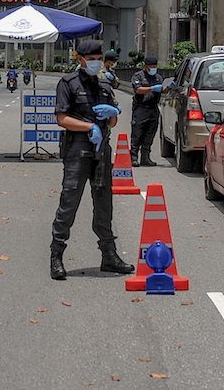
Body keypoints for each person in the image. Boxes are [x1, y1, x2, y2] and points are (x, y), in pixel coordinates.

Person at [50, 39, 135, 281]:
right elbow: (62, 118)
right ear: (81, 59)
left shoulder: (105, 84)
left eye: (99, 59)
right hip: (78, 150)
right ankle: (56, 256)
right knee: (69, 203)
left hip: (102, 152)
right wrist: (88, 126)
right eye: (93, 60)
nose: (97, 63)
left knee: (104, 204)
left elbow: (113, 120)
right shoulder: (68, 83)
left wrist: (114, 113)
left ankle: (109, 256)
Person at [130, 55, 167, 167]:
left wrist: (168, 87)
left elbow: (162, 90)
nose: (153, 69)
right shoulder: (138, 76)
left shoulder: (158, 78)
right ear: (146, 67)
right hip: (141, 108)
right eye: (151, 66)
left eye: (155, 66)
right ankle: (133, 157)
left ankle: (145, 158)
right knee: (137, 134)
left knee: (150, 135)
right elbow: (138, 90)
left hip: (153, 109)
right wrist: (152, 88)